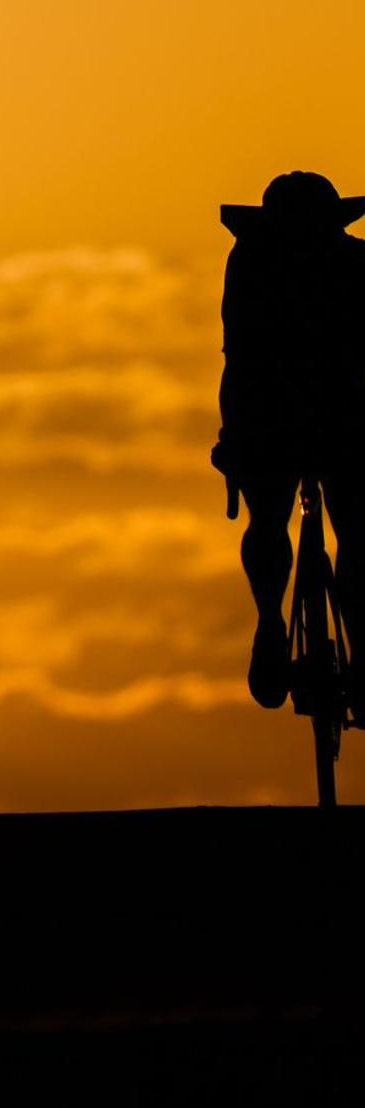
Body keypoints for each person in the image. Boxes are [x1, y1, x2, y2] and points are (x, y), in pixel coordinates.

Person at [213, 171, 365, 708]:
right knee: (355, 530)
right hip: (339, 416)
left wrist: (234, 433)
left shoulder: (251, 258)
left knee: (269, 520)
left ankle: (269, 625)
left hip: (266, 415)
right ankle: (361, 653)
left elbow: (239, 354)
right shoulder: (354, 259)